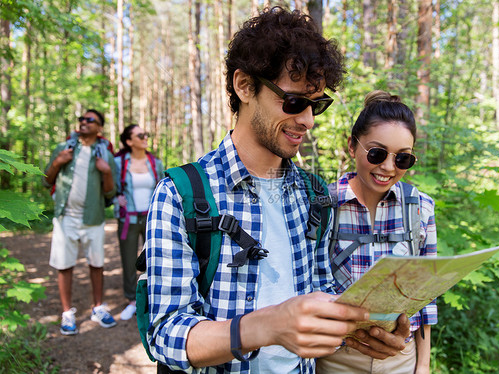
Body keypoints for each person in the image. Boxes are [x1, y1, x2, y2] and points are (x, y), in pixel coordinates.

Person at [145, 7, 410, 374]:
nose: (307, 120)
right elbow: (166, 335)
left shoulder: (314, 195)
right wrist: (265, 326)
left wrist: (366, 329)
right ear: (244, 86)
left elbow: (320, 289)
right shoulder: (180, 194)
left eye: (316, 105)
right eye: (294, 102)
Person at [316, 91, 438, 374]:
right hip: (336, 359)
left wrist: (423, 366)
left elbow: (426, 297)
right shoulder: (322, 206)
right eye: (377, 153)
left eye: (402, 159)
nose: (387, 167)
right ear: (351, 146)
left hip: (401, 359)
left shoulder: (421, 208)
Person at [43, 109, 119, 335]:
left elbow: (110, 193)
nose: (83, 123)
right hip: (65, 217)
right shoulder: (63, 149)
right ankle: (67, 313)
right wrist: (57, 163)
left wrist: (106, 172)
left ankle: (98, 307)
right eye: (81, 120)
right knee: (64, 265)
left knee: (97, 264)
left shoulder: (106, 156)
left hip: (93, 218)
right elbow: (47, 182)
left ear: (99, 128)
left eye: (90, 120)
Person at [114, 124, 164, 321]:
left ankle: (152, 299)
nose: (145, 137)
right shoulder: (119, 163)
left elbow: (162, 186)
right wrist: (115, 198)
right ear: (129, 141)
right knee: (128, 260)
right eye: (140, 135)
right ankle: (131, 301)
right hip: (128, 219)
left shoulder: (155, 162)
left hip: (152, 218)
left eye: (146, 134)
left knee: (154, 258)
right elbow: (111, 188)